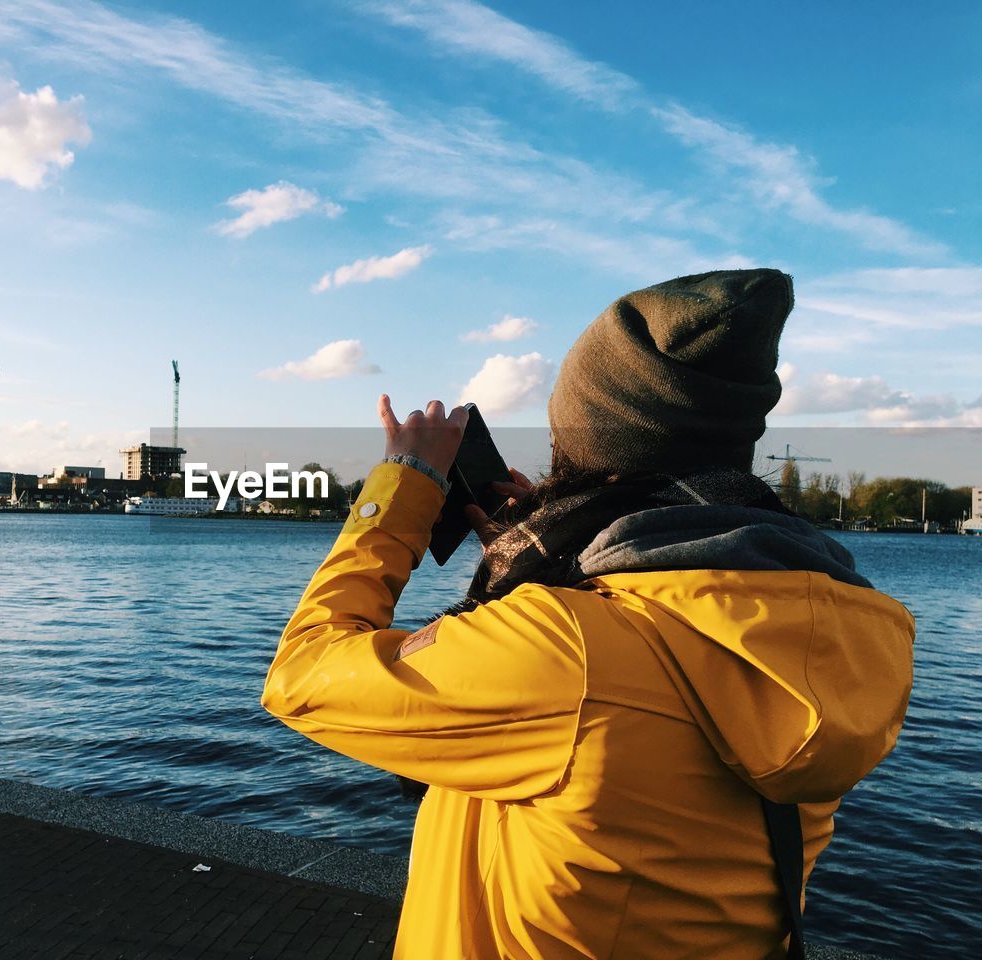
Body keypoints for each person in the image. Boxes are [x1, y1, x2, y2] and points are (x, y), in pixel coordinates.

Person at [261, 268, 914, 959]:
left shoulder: (562, 648)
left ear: (588, 438)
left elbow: (302, 675)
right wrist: (555, 553)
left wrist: (401, 491)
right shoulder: (831, 622)